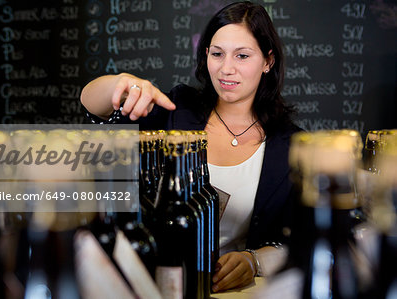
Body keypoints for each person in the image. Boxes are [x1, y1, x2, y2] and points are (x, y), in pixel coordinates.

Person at [81, 1, 300, 293]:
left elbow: (299, 241)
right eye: (217, 54)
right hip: (152, 284)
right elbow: (93, 111)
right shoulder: (177, 108)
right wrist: (121, 84)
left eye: (243, 55)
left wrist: (253, 261)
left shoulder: (290, 147)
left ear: (268, 61)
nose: (226, 68)